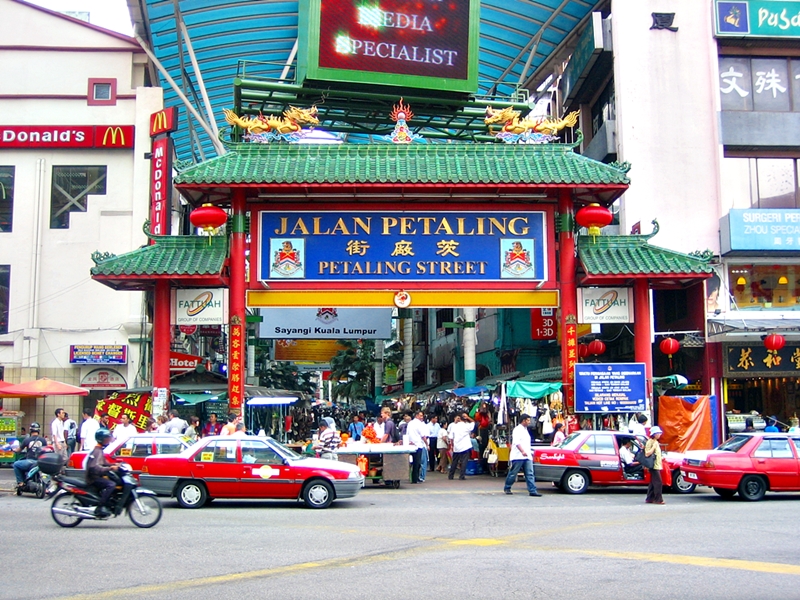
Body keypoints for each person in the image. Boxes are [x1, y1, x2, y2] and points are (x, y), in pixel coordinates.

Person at [503, 414, 541, 496]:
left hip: (527, 455)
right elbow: (517, 442)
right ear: (523, 420)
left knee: (530, 473)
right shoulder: (517, 430)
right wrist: (522, 451)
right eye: (528, 420)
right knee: (513, 473)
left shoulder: (525, 430)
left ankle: (532, 490)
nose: (529, 422)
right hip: (518, 456)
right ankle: (507, 487)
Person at [86, 428, 119, 518]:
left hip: (96, 476)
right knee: (111, 485)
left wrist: (114, 464)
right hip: (93, 478)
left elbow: (103, 462)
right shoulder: (97, 451)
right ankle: (100, 507)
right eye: (107, 438)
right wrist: (109, 468)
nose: (109, 440)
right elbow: (95, 467)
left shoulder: (99, 449)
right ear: (102, 439)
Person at [13, 422, 47, 489]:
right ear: (39, 430)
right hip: (41, 462)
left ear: (30, 430)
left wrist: (14, 450)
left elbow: (19, 450)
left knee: (16, 464)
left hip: (30, 462)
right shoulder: (43, 440)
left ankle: (20, 483)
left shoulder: (27, 440)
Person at [448, 412, 474, 480]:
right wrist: (468, 417)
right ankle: (461, 475)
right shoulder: (466, 426)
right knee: (464, 461)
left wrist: (452, 445)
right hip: (465, 446)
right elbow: (474, 423)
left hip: (456, 446)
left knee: (454, 461)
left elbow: (451, 437)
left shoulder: (454, 426)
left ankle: (451, 475)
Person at [406, 411, 429, 484]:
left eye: (422, 415)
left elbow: (407, 434)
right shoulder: (419, 424)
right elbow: (423, 436)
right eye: (420, 415)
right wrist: (427, 444)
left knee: (411, 462)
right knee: (417, 463)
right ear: (416, 415)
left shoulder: (410, 423)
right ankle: (415, 479)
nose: (422, 417)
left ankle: (412, 477)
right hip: (418, 445)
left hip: (410, 445)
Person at [644, 425, 665, 505]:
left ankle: (649, 498)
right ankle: (658, 499)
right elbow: (647, 453)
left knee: (653, 482)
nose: (660, 435)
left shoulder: (656, 442)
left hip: (656, 464)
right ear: (654, 434)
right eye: (658, 433)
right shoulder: (650, 442)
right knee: (658, 482)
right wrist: (653, 447)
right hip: (653, 465)